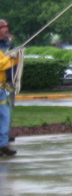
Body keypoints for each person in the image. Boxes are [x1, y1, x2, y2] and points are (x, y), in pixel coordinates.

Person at [0, 20, 18, 156]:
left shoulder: (8, 43)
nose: (6, 30)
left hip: (5, 84)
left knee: (6, 115)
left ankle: (4, 143)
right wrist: (11, 58)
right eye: (3, 28)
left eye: (7, 27)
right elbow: (1, 63)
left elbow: (11, 60)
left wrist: (15, 55)